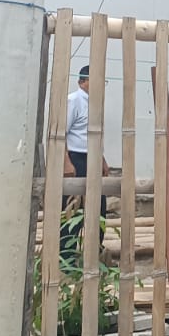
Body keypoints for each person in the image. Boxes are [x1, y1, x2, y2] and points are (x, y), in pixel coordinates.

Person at [61, 65, 106, 260]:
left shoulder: (96, 103)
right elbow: (60, 133)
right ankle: (67, 257)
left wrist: (102, 160)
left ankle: (95, 253)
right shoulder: (73, 101)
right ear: (82, 82)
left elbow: (94, 136)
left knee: (99, 206)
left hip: (93, 158)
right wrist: (66, 162)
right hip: (76, 159)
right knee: (73, 207)